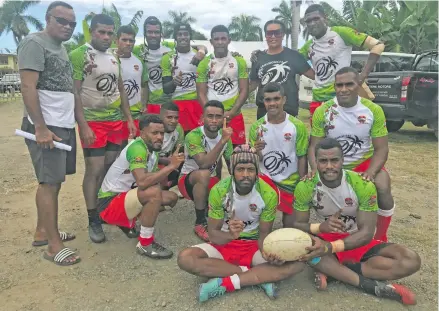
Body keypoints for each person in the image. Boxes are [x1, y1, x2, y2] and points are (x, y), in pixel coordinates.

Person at [292, 138, 421, 306]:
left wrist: (331, 247)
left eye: (334, 160)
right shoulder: (305, 186)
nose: (329, 166)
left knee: (411, 260)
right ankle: (370, 285)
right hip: (324, 242)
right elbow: (297, 225)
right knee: (305, 247)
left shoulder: (362, 184)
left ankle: (336, 272)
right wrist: (320, 227)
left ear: (342, 160)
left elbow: (366, 233)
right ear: (315, 162)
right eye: (323, 161)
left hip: (355, 240)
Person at [178, 145, 305, 302]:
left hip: (253, 246)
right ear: (232, 171)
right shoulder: (219, 191)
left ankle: (227, 282)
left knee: (297, 264)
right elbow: (214, 235)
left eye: (251, 169)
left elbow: (264, 235)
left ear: (256, 172)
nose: (245, 175)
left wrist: (270, 255)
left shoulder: (268, 194)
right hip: (224, 244)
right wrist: (230, 235)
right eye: (240, 169)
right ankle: (257, 276)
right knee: (186, 258)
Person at [18, 1, 80, 265]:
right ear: (47, 18)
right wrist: (40, 127)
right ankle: (54, 245)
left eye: (72, 23)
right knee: (48, 182)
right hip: (46, 126)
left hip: (62, 122)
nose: (67, 26)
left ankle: (44, 230)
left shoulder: (61, 48)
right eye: (62, 21)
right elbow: (28, 86)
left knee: (54, 180)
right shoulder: (34, 43)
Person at [70, 14, 136, 243]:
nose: (106, 37)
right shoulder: (79, 55)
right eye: (101, 32)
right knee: (94, 169)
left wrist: (128, 118)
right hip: (93, 121)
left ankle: (102, 209)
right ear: (92, 31)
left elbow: (121, 90)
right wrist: (83, 124)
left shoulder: (114, 57)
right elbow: (75, 92)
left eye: (110, 33)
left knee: (109, 167)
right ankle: (93, 219)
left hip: (115, 120)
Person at [308, 67, 394, 242]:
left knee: (383, 186)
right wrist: (316, 170)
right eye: (339, 85)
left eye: (349, 84)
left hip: (363, 163)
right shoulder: (323, 111)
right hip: (333, 164)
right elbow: (314, 146)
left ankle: (380, 236)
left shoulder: (373, 110)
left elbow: (381, 149)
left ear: (358, 85)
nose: (343, 89)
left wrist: (370, 172)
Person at [97, 115, 182, 258]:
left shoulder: (151, 150)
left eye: (162, 133)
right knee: (154, 192)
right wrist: (171, 165)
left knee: (171, 197)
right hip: (108, 203)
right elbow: (143, 182)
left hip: (124, 196)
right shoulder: (137, 148)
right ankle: (145, 244)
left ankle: (130, 222)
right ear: (142, 133)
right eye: (154, 133)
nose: (160, 137)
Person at [299, 4, 385, 122]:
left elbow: (378, 45)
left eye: (316, 18)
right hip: (317, 99)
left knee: (343, 135)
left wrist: (362, 76)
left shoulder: (341, 33)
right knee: (318, 137)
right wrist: (315, 76)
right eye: (308, 21)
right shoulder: (308, 46)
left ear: (325, 18)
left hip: (342, 95)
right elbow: (296, 62)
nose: (312, 23)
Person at [249, 83, 308, 227]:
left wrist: (302, 184)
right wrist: (256, 151)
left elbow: (301, 157)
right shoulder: (257, 127)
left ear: (284, 100)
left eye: (276, 99)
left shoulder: (297, 126)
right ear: (264, 101)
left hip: (290, 182)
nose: (272, 103)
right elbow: (257, 160)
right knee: (263, 228)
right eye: (268, 100)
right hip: (265, 181)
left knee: (290, 228)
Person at [178, 100, 234, 241]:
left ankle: (212, 208)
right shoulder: (193, 136)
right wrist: (222, 141)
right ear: (202, 118)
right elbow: (203, 164)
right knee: (204, 174)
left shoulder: (225, 135)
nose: (214, 120)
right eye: (210, 116)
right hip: (188, 181)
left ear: (223, 118)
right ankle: (200, 222)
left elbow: (231, 165)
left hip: (211, 180)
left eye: (218, 117)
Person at [132, 16, 207, 114]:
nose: (153, 35)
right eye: (150, 32)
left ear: (161, 33)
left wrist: (202, 49)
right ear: (145, 34)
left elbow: (187, 45)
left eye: (156, 32)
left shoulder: (169, 47)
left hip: (170, 102)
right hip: (151, 103)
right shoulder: (138, 50)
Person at [250, 20, 315, 119]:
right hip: (264, 111)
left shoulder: (294, 56)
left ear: (283, 34)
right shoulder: (258, 57)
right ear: (265, 35)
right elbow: (252, 85)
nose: (273, 36)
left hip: (288, 111)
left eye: (277, 33)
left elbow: (315, 76)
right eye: (269, 33)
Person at [196, 25, 249, 147]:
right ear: (211, 41)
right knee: (212, 157)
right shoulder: (204, 63)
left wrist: (232, 112)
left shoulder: (239, 61)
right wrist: (212, 114)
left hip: (234, 115)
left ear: (229, 40)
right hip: (212, 118)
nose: (220, 42)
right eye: (216, 39)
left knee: (237, 156)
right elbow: (201, 93)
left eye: (223, 39)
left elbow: (244, 90)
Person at [162, 23, 206, 133]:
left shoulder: (200, 56)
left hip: (196, 103)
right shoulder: (168, 58)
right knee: (179, 141)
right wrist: (174, 82)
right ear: (175, 37)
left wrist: (202, 50)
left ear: (190, 36)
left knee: (197, 140)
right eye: (179, 34)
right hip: (177, 104)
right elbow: (166, 89)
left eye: (186, 34)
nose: (183, 37)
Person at [115, 25, 149, 146]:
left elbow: (144, 85)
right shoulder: (110, 59)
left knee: (136, 150)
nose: (128, 43)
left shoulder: (139, 61)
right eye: (124, 40)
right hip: (117, 116)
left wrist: (144, 104)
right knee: (117, 153)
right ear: (116, 40)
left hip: (135, 115)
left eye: (131, 40)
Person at [158, 101, 185, 190]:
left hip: (168, 162)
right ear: (160, 117)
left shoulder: (178, 128)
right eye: (169, 117)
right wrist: (165, 160)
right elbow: (145, 156)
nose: (173, 121)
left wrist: (176, 158)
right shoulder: (153, 129)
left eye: (176, 118)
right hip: (152, 163)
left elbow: (180, 149)